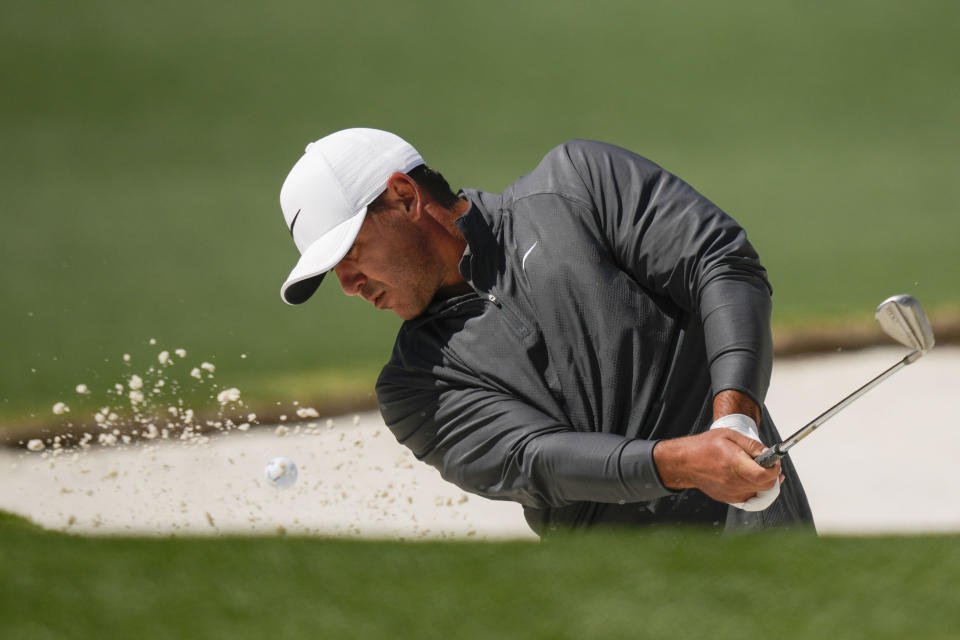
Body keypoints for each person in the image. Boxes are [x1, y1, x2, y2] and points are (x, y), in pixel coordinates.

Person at [277, 128, 814, 535]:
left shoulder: (578, 185)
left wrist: (736, 417)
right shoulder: (416, 387)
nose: (348, 285)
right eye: (333, 274)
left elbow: (720, 265)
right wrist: (682, 464)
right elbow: (536, 460)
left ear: (403, 196)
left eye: (350, 253)